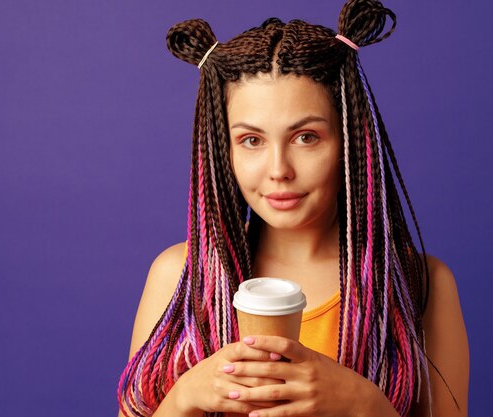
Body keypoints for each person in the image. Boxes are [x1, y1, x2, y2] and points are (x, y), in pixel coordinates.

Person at [117, 0, 469, 416]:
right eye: (251, 140)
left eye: (306, 137)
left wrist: (364, 403)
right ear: (223, 151)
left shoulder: (417, 284)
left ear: (349, 141)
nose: (279, 170)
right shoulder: (180, 276)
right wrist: (183, 396)